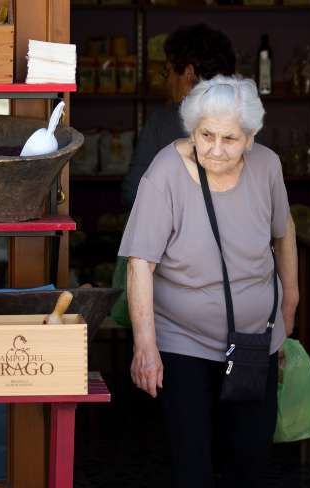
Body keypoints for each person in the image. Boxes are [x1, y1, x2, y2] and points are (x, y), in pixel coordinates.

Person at [118, 76, 299, 488]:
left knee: (251, 447)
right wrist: (145, 346)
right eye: (206, 136)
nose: (216, 149)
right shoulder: (166, 174)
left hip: (254, 337)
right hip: (181, 338)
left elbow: (284, 235)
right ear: (192, 132)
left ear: (250, 137)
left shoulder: (267, 167)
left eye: (229, 139)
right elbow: (140, 264)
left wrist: (288, 308)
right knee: (191, 452)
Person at [113, 24, 237, 326]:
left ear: (189, 73)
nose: (166, 82)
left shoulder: (164, 122)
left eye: (168, 71)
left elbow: (132, 192)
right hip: (238, 285)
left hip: (171, 285)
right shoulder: (247, 123)